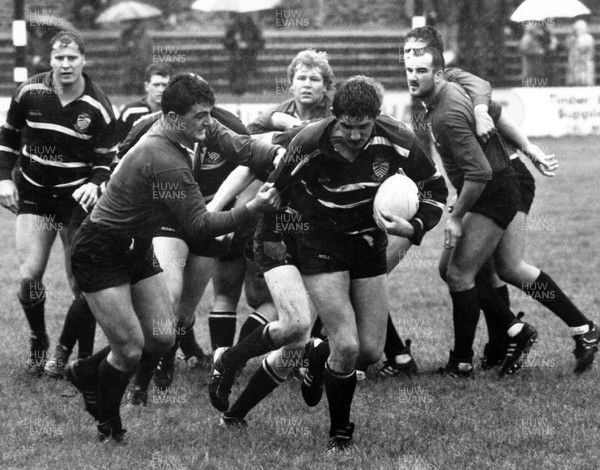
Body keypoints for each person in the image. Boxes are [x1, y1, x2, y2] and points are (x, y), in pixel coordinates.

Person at [212, 76, 448, 453]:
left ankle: (313, 355)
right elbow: (269, 184)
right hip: (314, 240)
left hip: (365, 241)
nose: (356, 136)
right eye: (348, 127)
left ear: (377, 117)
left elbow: (436, 190)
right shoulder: (308, 141)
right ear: (335, 118)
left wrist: (415, 225)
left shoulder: (399, 139)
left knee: (369, 351)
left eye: (364, 127)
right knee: (338, 341)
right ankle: (340, 434)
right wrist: (237, 216)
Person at [63, 73, 282, 443]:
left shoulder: (194, 128)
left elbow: (241, 146)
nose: (208, 122)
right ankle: (109, 425)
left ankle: (86, 371)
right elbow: (198, 226)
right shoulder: (162, 155)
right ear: (173, 116)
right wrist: (253, 209)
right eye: (200, 115)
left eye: (209, 113)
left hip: (136, 246)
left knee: (163, 338)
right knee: (130, 349)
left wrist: (274, 151)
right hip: (100, 249)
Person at [406, 26, 598, 374]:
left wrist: (526, 148)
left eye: (419, 55)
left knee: (498, 268)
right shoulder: (439, 92)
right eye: (407, 55)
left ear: (437, 60)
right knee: (483, 269)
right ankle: (505, 341)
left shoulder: (455, 86)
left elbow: (487, 104)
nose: (411, 61)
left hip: (503, 180)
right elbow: (488, 107)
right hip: (489, 183)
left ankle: (529, 334)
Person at [117, 95, 277, 406]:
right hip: (169, 221)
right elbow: (123, 159)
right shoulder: (154, 128)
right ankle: (140, 382)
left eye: (205, 112)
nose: (202, 119)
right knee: (168, 297)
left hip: (210, 224)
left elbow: (249, 167)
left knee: (185, 313)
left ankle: (167, 354)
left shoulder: (227, 126)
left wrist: (231, 213)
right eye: (195, 112)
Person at [406, 46, 539, 377]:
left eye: (421, 68)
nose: (412, 75)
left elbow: (479, 172)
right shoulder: (449, 90)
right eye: (408, 66)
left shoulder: (446, 114)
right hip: (488, 190)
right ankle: (508, 333)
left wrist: (454, 216)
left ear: (438, 72)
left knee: (462, 273)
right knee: (456, 270)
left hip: (493, 193)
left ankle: (465, 359)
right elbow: (484, 92)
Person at [0, 30, 116, 376]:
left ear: (84, 60)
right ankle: (38, 339)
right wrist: (4, 177)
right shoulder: (30, 92)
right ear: (50, 61)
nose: (65, 64)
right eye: (59, 58)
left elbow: (105, 158)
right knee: (30, 276)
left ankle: (78, 356)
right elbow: (7, 135)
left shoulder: (98, 106)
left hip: (74, 200)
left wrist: (95, 184)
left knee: (82, 283)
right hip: (35, 194)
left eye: (72, 58)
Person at [116, 63, 172, 143]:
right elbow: (118, 145)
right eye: (156, 85)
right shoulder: (130, 112)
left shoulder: (178, 113)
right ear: (147, 86)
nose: (161, 90)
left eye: (164, 85)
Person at [222, 13, 264, 96]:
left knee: (244, 76)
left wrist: (248, 46)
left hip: (248, 58)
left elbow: (260, 43)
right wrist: (234, 40)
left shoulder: (253, 28)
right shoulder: (233, 27)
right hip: (235, 57)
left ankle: (242, 91)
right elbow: (226, 42)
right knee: (234, 75)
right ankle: (235, 91)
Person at [119, 19, 152, 96]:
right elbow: (119, 48)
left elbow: (149, 48)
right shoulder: (125, 35)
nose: (136, 25)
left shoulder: (145, 35)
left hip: (142, 61)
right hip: (129, 61)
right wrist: (127, 46)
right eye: (134, 23)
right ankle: (127, 93)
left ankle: (140, 92)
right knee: (128, 79)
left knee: (140, 80)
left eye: (138, 23)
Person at [566, 19, 594, 86]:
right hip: (574, 63)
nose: (577, 30)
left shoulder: (588, 38)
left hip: (584, 63)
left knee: (584, 80)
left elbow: (584, 49)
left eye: (578, 29)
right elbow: (568, 45)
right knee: (574, 80)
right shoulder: (572, 38)